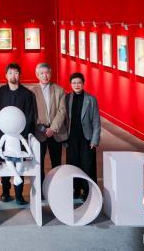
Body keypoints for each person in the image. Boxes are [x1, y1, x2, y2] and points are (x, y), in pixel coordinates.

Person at [0, 63, 36, 205]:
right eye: (10, 73)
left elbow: (29, 115)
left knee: (19, 165)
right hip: (4, 135)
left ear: (20, 75)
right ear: (6, 75)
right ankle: (5, 193)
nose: (13, 76)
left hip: (20, 136)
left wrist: (23, 134)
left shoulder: (27, 94)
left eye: (16, 73)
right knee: (5, 164)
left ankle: (19, 195)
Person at [65, 72, 101, 201]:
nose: (76, 85)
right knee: (73, 164)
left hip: (87, 138)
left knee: (87, 165)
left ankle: (88, 190)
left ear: (83, 84)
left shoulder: (91, 99)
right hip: (71, 138)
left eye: (79, 82)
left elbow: (96, 121)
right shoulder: (66, 98)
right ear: (70, 84)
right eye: (74, 83)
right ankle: (75, 189)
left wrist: (94, 140)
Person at [34, 62, 68, 185]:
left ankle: (56, 186)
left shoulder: (59, 90)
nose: (45, 76)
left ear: (51, 73)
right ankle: (41, 189)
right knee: (39, 163)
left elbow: (62, 111)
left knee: (56, 162)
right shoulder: (32, 91)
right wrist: (43, 129)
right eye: (42, 73)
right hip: (40, 132)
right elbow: (32, 113)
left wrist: (52, 128)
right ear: (37, 75)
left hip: (55, 132)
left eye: (47, 73)